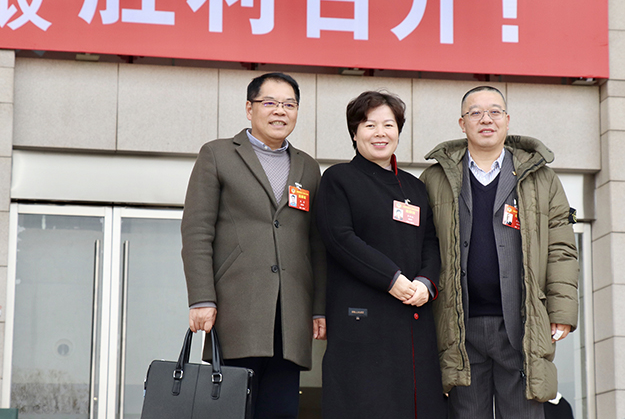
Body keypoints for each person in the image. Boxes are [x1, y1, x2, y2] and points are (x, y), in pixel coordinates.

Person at [420, 86, 579, 419]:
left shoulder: (541, 178)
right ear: (462, 123)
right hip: (458, 325)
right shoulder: (435, 178)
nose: (486, 119)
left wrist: (562, 310)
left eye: (494, 111)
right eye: (475, 112)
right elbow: (422, 246)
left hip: (522, 322)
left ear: (507, 120)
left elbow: (561, 248)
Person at [180, 72, 326, 419]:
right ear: (250, 108)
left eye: (289, 104)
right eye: (270, 102)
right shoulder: (217, 154)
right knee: (232, 410)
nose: (280, 111)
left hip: (290, 316)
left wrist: (318, 308)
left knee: (280, 410)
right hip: (236, 310)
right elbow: (197, 231)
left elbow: (317, 244)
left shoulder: (308, 167)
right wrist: (202, 298)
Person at [316, 90, 446, 418]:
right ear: (354, 133)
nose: (380, 133)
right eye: (369, 125)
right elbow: (341, 239)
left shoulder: (415, 187)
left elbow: (431, 242)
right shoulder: (338, 179)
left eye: (388, 125)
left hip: (413, 317)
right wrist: (392, 279)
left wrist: (426, 283)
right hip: (361, 321)